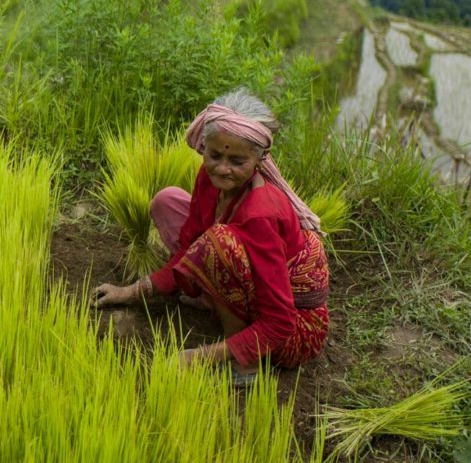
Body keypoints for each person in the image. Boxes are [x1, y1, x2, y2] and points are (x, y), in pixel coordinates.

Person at [92, 89, 329, 382]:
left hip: (293, 332)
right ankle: (214, 297)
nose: (223, 168)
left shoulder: (260, 213)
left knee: (218, 243)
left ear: (259, 160)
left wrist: (198, 357)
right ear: (204, 147)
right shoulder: (210, 179)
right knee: (168, 201)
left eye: (237, 161)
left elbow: (280, 322)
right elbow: (190, 245)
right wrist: (132, 292)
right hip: (253, 283)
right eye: (215, 155)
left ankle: (246, 367)